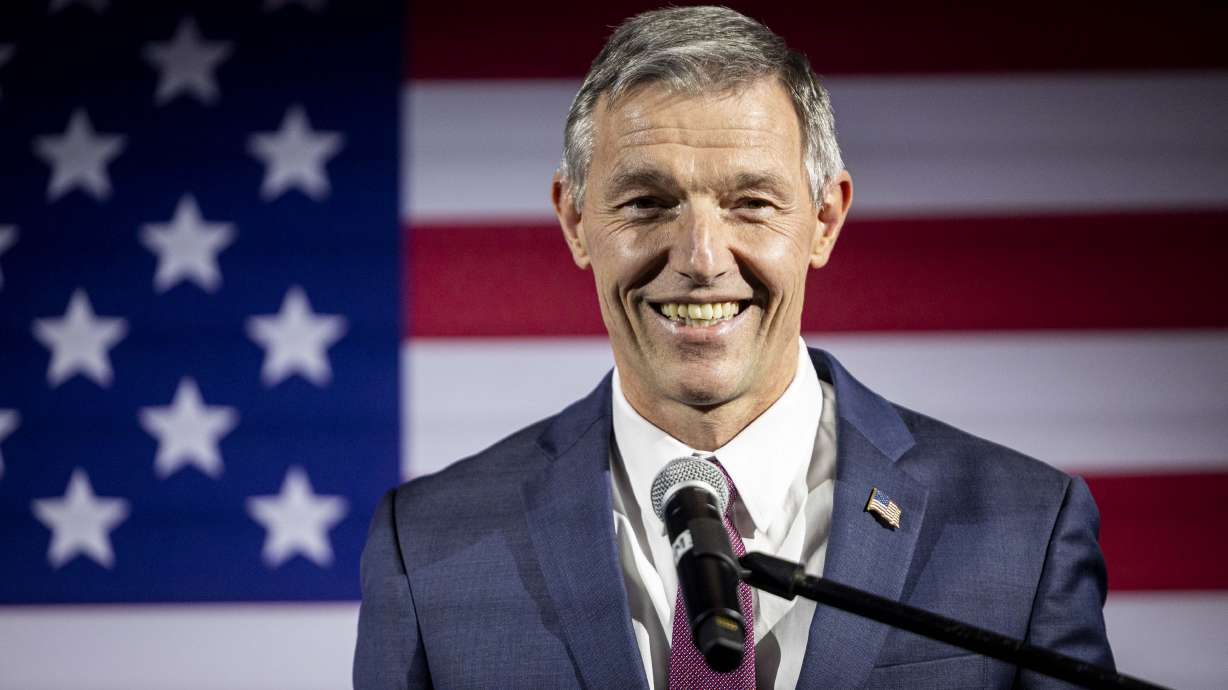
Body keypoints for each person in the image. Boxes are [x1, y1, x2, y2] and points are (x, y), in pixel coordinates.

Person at [354, 6, 1114, 689]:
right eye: (648, 203)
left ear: (824, 218)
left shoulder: (1023, 530)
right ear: (575, 218)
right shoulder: (426, 551)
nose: (702, 257)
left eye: (751, 203)